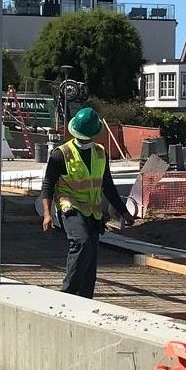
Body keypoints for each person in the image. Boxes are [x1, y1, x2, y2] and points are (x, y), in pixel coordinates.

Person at [40, 106, 132, 298]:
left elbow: (108, 186)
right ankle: (68, 293)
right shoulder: (61, 154)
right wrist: (47, 214)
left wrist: (123, 212)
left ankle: (85, 297)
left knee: (91, 253)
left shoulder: (100, 153)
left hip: (93, 212)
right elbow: (48, 184)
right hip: (69, 208)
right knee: (81, 241)